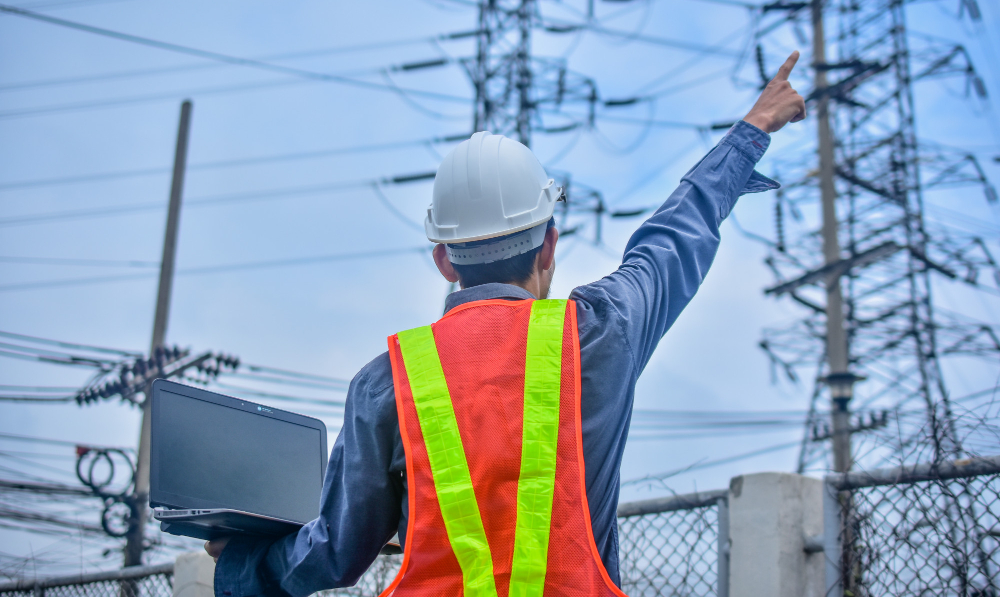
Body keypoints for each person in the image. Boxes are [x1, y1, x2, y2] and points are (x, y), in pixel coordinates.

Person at [206, 51, 807, 596]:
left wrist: (240, 565)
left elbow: (334, 552)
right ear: (550, 243)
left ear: (443, 259)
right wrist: (751, 130)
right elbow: (670, 241)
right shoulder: (598, 334)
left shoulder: (385, 382)